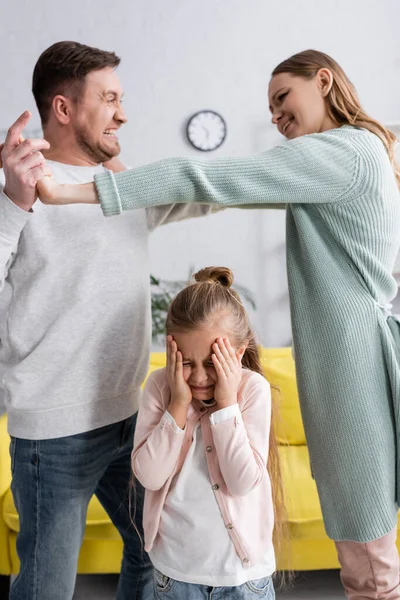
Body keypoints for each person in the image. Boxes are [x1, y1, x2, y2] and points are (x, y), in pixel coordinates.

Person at [36, 49, 400, 599]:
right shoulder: (340, 158)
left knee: (369, 565)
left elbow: (209, 177)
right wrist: (116, 172)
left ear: (323, 81)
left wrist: (67, 191)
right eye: (270, 108)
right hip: (342, 364)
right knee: (360, 555)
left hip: (354, 368)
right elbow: (210, 191)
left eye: (283, 98)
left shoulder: (345, 152)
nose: (276, 116)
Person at [0, 40, 220, 600]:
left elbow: (210, 191)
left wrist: (310, 156)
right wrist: (12, 205)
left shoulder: (123, 189)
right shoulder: (19, 182)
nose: (123, 113)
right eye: (110, 98)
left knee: (154, 550)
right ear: (64, 109)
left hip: (131, 418)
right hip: (54, 432)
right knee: (47, 588)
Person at [133, 266, 279, 600]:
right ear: (171, 351)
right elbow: (149, 476)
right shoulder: (160, 386)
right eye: (186, 361)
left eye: (213, 362)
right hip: (175, 576)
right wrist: (178, 404)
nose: (199, 377)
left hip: (244, 579)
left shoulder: (252, 389)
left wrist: (226, 404)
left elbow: (242, 481)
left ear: (238, 353)